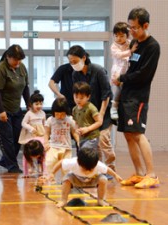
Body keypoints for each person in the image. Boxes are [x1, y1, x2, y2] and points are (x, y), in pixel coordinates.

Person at [112, 7, 160, 189]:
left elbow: (143, 74)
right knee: (128, 135)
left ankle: (151, 175)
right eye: (130, 27)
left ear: (145, 25)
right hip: (126, 94)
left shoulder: (152, 46)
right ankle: (139, 173)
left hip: (138, 97)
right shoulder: (135, 45)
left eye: (134, 28)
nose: (131, 31)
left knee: (138, 134)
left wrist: (122, 78)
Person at [68, 45, 116, 173]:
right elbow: (77, 93)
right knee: (95, 146)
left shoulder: (98, 70)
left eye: (75, 61)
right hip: (87, 114)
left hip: (102, 113)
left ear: (83, 58)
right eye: (70, 62)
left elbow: (107, 94)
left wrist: (101, 114)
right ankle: (98, 170)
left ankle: (111, 169)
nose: (73, 64)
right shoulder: (75, 74)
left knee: (104, 142)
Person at [0, 44, 30, 173]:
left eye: (20, 60)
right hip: (2, 108)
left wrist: (29, 105)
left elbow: (25, 88)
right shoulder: (0, 69)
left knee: (19, 136)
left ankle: (5, 160)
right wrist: (1, 111)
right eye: (15, 60)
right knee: (7, 137)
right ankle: (12, 166)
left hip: (16, 108)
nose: (18, 62)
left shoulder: (22, 67)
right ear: (8, 57)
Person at [48, 148, 122, 207]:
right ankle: (63, 200)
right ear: (78, 162)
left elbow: (107, 169)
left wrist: (115, 175)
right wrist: (52, 173)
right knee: (66, 179)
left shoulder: (98, 164)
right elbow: (61, 162)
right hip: (76, 180)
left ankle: (101, 200)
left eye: (91, 169)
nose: (87, 172)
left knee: (103, 179)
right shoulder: (73, 162)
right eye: (84, 169)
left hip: (92, 180)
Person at [44, 98, 79, 177]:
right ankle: (50, 180)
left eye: (62, 114)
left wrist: (78, 141)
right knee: (49, 163)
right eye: (57, 114)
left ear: (66, 112)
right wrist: (46, 142)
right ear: (53, 112)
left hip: (66, 148)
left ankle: (66, 184)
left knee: (67, 169)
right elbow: (46, 133)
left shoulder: (70, 120)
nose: (59, 117)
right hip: (53, 147)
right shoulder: (50, 120)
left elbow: (74, 132)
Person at [110, 22, 137, 120]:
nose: (118, 38)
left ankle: (124, 109)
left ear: (127, 35)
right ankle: (113, 107)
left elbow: (136, 42)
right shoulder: (114, 46)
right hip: (118, 71)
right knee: (117, 89)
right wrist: (130, 51)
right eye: (116, 36)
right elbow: (119, 55)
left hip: (127, 71)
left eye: (121, 36)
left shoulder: (129, 43)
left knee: (126, 90)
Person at [18, 90, 46, 176]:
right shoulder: (29, 114)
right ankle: (30, 167)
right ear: (31, 104)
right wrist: (31, 128)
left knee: (41, 152)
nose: (39, 106)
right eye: (36, 104)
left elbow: (44, 124)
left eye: (41, 104)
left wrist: (46, 135)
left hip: (40, 135)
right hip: (31, 136)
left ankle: (42, 169)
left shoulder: (43, 113)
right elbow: (23, 123)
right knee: (29, 153)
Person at [72, 81, 102, 150]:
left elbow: (99, 122)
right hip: (82, 137)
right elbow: (76, 122)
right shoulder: (74, 109)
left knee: (85, 153)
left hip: (92, 137)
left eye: (81, 98)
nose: (78, 100)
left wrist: (87, 129)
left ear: (88, 97)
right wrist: (77, 130)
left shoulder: (91, 107)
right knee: (84, 156)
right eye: (76, 97)